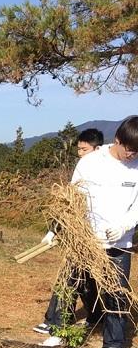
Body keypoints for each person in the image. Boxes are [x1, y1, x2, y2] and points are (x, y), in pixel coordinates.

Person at [39, 117, 138, 348]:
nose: (132, 155)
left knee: (116, 291)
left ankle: (115, 345)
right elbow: (71, 199)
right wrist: (57, 229)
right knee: (69, 285)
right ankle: (59, 331)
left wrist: (125, 225)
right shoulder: (91, 162)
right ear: (117, 140)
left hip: (118, 242)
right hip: (84, 239)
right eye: (130, 149)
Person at [33, 128, 105, 334]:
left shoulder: (110, 174)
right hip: (79, 235)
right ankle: (95, 315)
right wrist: (54, 230)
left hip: (98, 237)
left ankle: (55, 321)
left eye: (84, 149)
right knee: (82, 277)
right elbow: (69, 204)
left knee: (72, 277)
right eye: (79, 150)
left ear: (98, 149)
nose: (80, 154)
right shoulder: (82, 170)